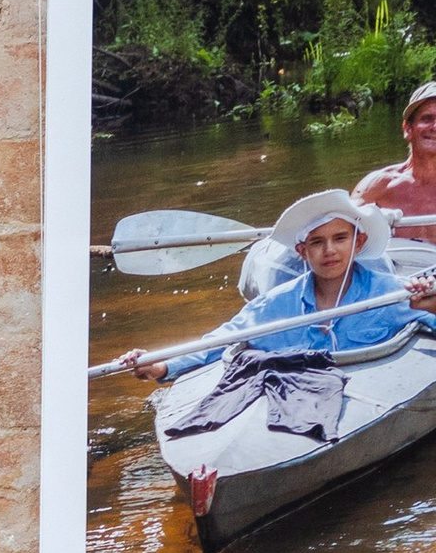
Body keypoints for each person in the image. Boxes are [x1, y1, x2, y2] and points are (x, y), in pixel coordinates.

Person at [121, 190, 436, 446]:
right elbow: (222, 339)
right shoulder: (275, 304)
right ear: (302, 251)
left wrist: (432, 306)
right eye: (317, 242)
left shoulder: (392, 293)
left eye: (340, 238)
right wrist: (162, 365)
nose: (329, 251)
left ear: (359, 243)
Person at [352, 84, 436, 243]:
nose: (435, 126)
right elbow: (339, 231)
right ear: (408, 129)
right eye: (427, 119)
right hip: (397, 258)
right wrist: (369, 219)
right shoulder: (378, 186)